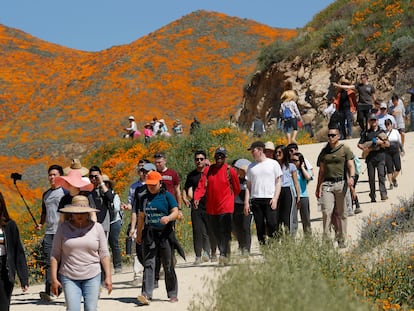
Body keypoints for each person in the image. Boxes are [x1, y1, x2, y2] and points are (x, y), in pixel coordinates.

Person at [50, 195, 112, 311]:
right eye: (77, 212)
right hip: (69, 275)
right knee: (73, 309)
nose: (80, 215)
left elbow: (104, 254)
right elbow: (55, 254)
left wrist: (108, 276)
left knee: (91, 308)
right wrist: (54, 279)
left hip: (92, 274)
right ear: (71, 213)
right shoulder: (63, 228)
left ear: (88, 212)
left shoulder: (97, 228)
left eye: (83, 212)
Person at [136, 171, 180, 305]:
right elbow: (141, 217)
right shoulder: (144, 198)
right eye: (149, 185)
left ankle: (172, 293)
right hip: (149, 234)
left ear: (160, 183)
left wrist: (168, 218)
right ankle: (146, 294)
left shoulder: (167, 196)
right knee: (149, 264)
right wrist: (138, 234)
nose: (151, 187)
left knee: (168, 264)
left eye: (154, 184)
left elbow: (175, 211)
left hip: (165, 234)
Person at [194, 147, 240, 265]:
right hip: (212, 208)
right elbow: (201, 186)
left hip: (226, 207)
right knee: (215, 232)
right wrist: (197, 197)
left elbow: (237, 188)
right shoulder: (208, 170)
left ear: (225, 157)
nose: (219, 157)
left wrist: (229, 198)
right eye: (218, 155)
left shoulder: (230, 170)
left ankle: (224, 255)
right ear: (214, 157)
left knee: (225, 231)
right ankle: (224, 252)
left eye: (222, 155)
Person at [316, 126, 355, 248]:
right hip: (327, 184)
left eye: (333, 135)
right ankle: (326, 240)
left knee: (342, 213)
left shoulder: (344, 149)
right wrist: (318, 187)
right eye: (329, 135)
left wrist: (352, 178)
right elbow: (321, 171)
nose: (331, 137)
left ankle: (341, 239)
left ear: (338, 136)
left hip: (341, 184)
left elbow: (351, 165)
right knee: (326, 212)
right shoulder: (324, 152)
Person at [36, 164, 67, 302]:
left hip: (63, 231)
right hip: (49, 232)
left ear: (60, 176)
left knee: (63, 262)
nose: (52, 177)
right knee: (49, 261)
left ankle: (62, 287)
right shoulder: (46, 194)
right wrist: (41, 223)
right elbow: (44, 212)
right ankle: (50, 290)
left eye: (55, 174)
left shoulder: (65, 192)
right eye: (50, 175)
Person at [244, 141, 282, 244]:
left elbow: (278, 182)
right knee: (259, 226)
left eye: (253, 151)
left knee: (272, 223)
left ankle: (274, 245)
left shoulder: (273, 164)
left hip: (269, 198)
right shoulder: (251, 167)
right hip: (256, 199)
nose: (252, 153)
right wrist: (246, 202)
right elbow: (248, 186)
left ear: (260, 150)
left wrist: (275, 198)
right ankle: (264, 247)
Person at [182, 150, 216, 264]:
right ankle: (198, 256)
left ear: (205, 159)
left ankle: (212, 252)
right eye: (197, 159)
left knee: (210, 230)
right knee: (197, 230)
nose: (199, 161)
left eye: (201, 159)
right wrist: (184, 198)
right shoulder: (192, 175)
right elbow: (185, 188)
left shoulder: (211, 173)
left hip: (210, 204)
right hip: (196, 206)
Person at [0, 191, 29, 311]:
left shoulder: (9, 225)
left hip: (5, 271)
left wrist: (23, 278)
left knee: (3, 305)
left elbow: (18, 252)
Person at [358, 113, 390, 202]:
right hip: (370, 158)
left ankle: (383, 194)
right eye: (371, 120)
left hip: (381, 156)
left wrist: (381, 142)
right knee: (371, 178)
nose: (373, 122)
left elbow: (388, 144)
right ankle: (372, 194)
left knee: (381, 175)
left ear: (377, 121)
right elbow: (359, 144)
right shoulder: (366, 133)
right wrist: (365, 149)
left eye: (374, 120)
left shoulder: (381, 132)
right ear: (369, 121)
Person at [274, 145, 300, 237]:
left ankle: (289, 239)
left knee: (287, 216)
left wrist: (298, 195)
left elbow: (296, 182)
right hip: (276, 191)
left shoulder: (291, 166)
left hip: (287, 191)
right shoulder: (273, 165)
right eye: (276, 152)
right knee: (276, 216)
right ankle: (277, 238)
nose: (277, 154)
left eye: (279, 152)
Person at [232, 158, 253, 255]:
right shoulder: (234, 180)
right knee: (237, 228)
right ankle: (241, 246)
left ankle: (247, 249)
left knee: (245, 227)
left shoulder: (249, 180)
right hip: (236, 206)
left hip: (247, 205)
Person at [103, 175, 123, 274]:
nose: (104, 185)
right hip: (104, 222)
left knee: (114, 243)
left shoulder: (114, 195)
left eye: (106, 183)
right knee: (104, 246)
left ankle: (117, 265)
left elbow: (116, 209)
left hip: (114, 221)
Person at [291, 152, 312, 234]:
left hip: (303, 196)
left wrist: (302, 168)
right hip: (293, 196)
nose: (293, 162)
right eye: (292, 160)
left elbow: (309, 177)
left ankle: (308, 238)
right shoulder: (290, 171)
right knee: (293, 219)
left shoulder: (303, 171)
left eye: (295, 160)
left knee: (306, 219)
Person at [384, 119, 404, 190]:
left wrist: (402, 150)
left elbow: (399, 142)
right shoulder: (384, 133)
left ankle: (393, 178)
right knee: (389, 168)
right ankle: (390, 183)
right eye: (386, 124)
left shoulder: (395, 132)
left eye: (388, 124)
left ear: (391, 124)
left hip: (395, 151)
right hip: (387, 152)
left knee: (398, 167)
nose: (387, 126)